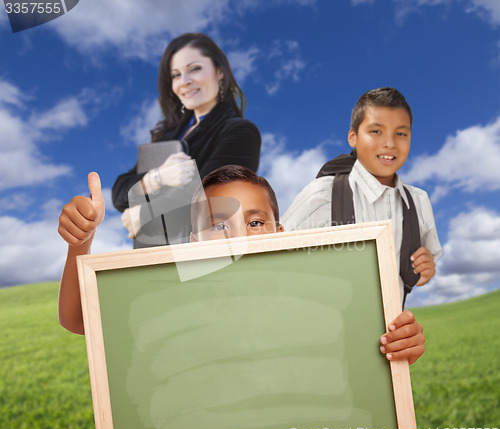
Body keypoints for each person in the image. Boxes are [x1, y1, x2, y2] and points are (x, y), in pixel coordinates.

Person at [58, 166, 426, 364]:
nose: (237, 238)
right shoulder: (174, 303)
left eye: (254, 223)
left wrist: (399, 346)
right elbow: (77, 319)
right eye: (218, 225)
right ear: (194, 242)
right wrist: (80, 243)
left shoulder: (321, 307)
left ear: (279, 234)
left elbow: (369, 352)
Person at [282, 87, 442, 309]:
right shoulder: (323, 194)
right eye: (376, 131)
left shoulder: (418, 202)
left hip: (390, 338)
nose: (390, 143)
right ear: (353, 137)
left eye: (401, 133)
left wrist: (426, 269)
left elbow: (423, 267)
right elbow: (274, 259)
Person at [112, 32, 261, 248]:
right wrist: (158, 178)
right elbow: (118, 193)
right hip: (150, 258)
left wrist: (143, 215)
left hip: (200, 260)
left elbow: (212, 200)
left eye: (195, 68)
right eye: (175, 75)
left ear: (219, 71)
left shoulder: (240, 132)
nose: (185, 82)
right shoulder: (167, 137)